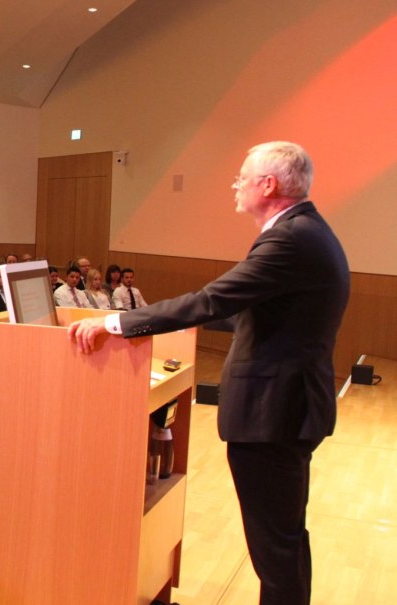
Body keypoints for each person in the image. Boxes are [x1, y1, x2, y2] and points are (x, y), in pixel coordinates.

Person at [69, 141, 348, 605]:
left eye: (242, 175)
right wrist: (167, 316)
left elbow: (212, 300)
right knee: (283, 543)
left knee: (275, 550)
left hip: (274, 415)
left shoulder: (290, 238)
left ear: (269, 184)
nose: (234, 184)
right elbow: (246, 312)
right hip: (288, 409)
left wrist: (116, 324)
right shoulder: (305, 231)